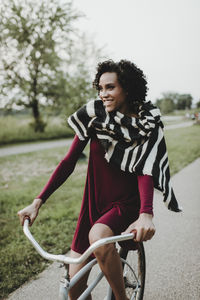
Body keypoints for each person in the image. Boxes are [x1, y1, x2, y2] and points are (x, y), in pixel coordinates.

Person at [18, 60, 181, 300]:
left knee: (99, 236)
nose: (104, 94)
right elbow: (68, 161)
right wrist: (38, 200)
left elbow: (145, 169)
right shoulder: (94, 117)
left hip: (125, 204)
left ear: (127, 88)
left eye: (110, 87)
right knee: (74, 288)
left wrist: (146, 213)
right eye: (100, 88)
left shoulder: (145, 124)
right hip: (93, 203)